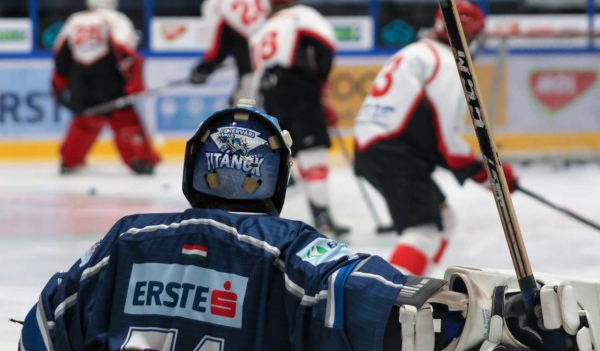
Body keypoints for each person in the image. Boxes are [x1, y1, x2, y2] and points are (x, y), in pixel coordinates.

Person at [18, 98, 596, 350]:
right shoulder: (290, 251)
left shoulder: (127, 241)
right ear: (279, 178)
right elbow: (413, 317)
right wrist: (506, 317)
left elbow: (41, 330)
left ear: (196, 167)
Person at [353, 0, 519, 276]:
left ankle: (419, 286)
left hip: (376, 148)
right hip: (394, 153)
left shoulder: (417, 51)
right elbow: (448, 142)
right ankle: (393, 298)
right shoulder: (445, 64)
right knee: (422, 230)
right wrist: (492, 175)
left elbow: (431, 134)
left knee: (444, 218)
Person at [249, 0, 349, 237]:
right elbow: (326, 45)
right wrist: (318, 84)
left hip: (270, 96)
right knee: (312, 152)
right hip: (298, 88)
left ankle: (262, 219)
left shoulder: (262, 30)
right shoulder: (302, 14)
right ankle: (322, 216)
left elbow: (254, 74)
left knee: (279, 156)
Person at [51, 0, 160, 175]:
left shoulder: (74, 20)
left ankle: (69, 160)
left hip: (80, 83)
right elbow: (126, 51)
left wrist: (58, 87)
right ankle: (139, 159)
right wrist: (135, 82)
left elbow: (61, 56)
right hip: (109, 82)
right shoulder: (115, 19)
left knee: (84, 121)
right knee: (125, 119)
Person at [189, 0, 270, 104]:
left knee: (242, 120)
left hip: (253, 72)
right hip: (281, 66)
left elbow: (215, 53)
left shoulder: (215, 2)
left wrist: (202, 70)